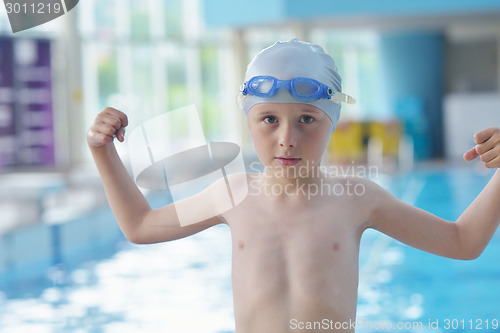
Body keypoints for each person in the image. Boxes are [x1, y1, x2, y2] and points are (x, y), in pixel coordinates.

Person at [87, 40, 500, 333]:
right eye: (269, 119)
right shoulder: (232, 193)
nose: (287, 138)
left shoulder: (359, 199)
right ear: (248, 121)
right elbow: (140, 226)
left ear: (332, 123)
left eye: (307, 119)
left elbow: (462, 242)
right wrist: (102, 151)